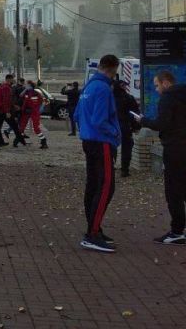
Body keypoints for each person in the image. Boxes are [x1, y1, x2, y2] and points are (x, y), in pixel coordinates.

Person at [141, 70, 186, 246]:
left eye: (157, 85)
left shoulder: (167, 98)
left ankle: (177, 231)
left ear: (166, 83)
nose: (157, 89)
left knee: (173, 190)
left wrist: (143, 121)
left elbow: (162, 124)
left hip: (174, 148)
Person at [75, 54, 121, 253]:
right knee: (106, 187)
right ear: (112, 69)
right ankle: (92, 234)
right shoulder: (103, 89)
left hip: (88, 141)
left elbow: (76, 114)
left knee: (93, 185)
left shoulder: (88, 87)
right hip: (102, 142)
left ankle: (94, 228)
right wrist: (116, 133)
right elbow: (100, 120)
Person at [112, 80, 140, 177]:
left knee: (111, 146)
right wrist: (136, 127)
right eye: (125, 85)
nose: (126, 87)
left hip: (112, 126)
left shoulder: (109, 98)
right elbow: (135, 114)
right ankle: (124, 170)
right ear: (122, 86)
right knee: (126, 147)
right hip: (125, 126)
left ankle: (111, 166)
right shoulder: (128, 98)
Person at [0, 74, 22, 146]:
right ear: (9, 79)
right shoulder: (6, 88)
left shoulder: (3, 87)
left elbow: (7, 100)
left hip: (1, 111)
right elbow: (6, 100)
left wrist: (13, 106)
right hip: (3, 111)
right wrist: (7, 111)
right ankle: (19, 140)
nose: (14, 80)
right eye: (13, 79)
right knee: (14, 126)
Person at [19, 80, 48, 149]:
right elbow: (21, 96)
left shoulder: (36, 93)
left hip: (34, 112)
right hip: (26, 111)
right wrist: (25, 90)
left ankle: (43, 141)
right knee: (22, 126)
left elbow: (42, 101)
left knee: (36, 128)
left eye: (27, 85)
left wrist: (40, 108)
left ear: (30, 86)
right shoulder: (27, 92)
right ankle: (18, 139)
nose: (25, 86)